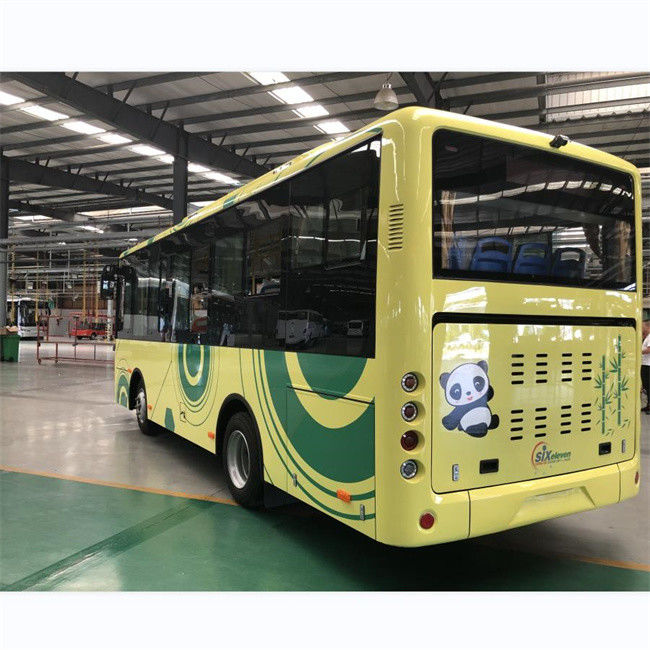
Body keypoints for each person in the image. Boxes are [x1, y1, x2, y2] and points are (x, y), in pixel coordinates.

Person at [642, 321, 650, 413]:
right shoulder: (647, 337)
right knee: (646, 386)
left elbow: (649, 350)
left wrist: (638, 351)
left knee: (648, 386)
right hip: (645, 364)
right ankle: (648, 405)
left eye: (643, 327)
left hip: (648, 365)